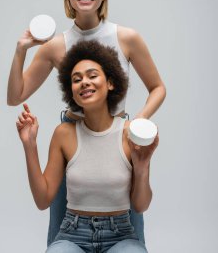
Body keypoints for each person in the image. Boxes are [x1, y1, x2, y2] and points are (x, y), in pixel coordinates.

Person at [7, 0, 166, 245]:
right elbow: (15, 97)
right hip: (73, 136)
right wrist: (21, 51)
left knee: (132, 224)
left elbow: (158, 88)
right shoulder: (55, 45)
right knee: (61, 228)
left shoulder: (127, 37)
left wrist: (135, 125)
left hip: (118, 136)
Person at [16, 40, 159, 252]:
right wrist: (30, 146)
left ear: (110, 83)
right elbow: (43, 199)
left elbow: (140, 206)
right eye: (76, 79)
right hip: (72, 234)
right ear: (71, 92)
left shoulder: (130, 133)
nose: (84, 82)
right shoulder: (63, 134)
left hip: (120, 235)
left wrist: (142, 167)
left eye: (92, 76)